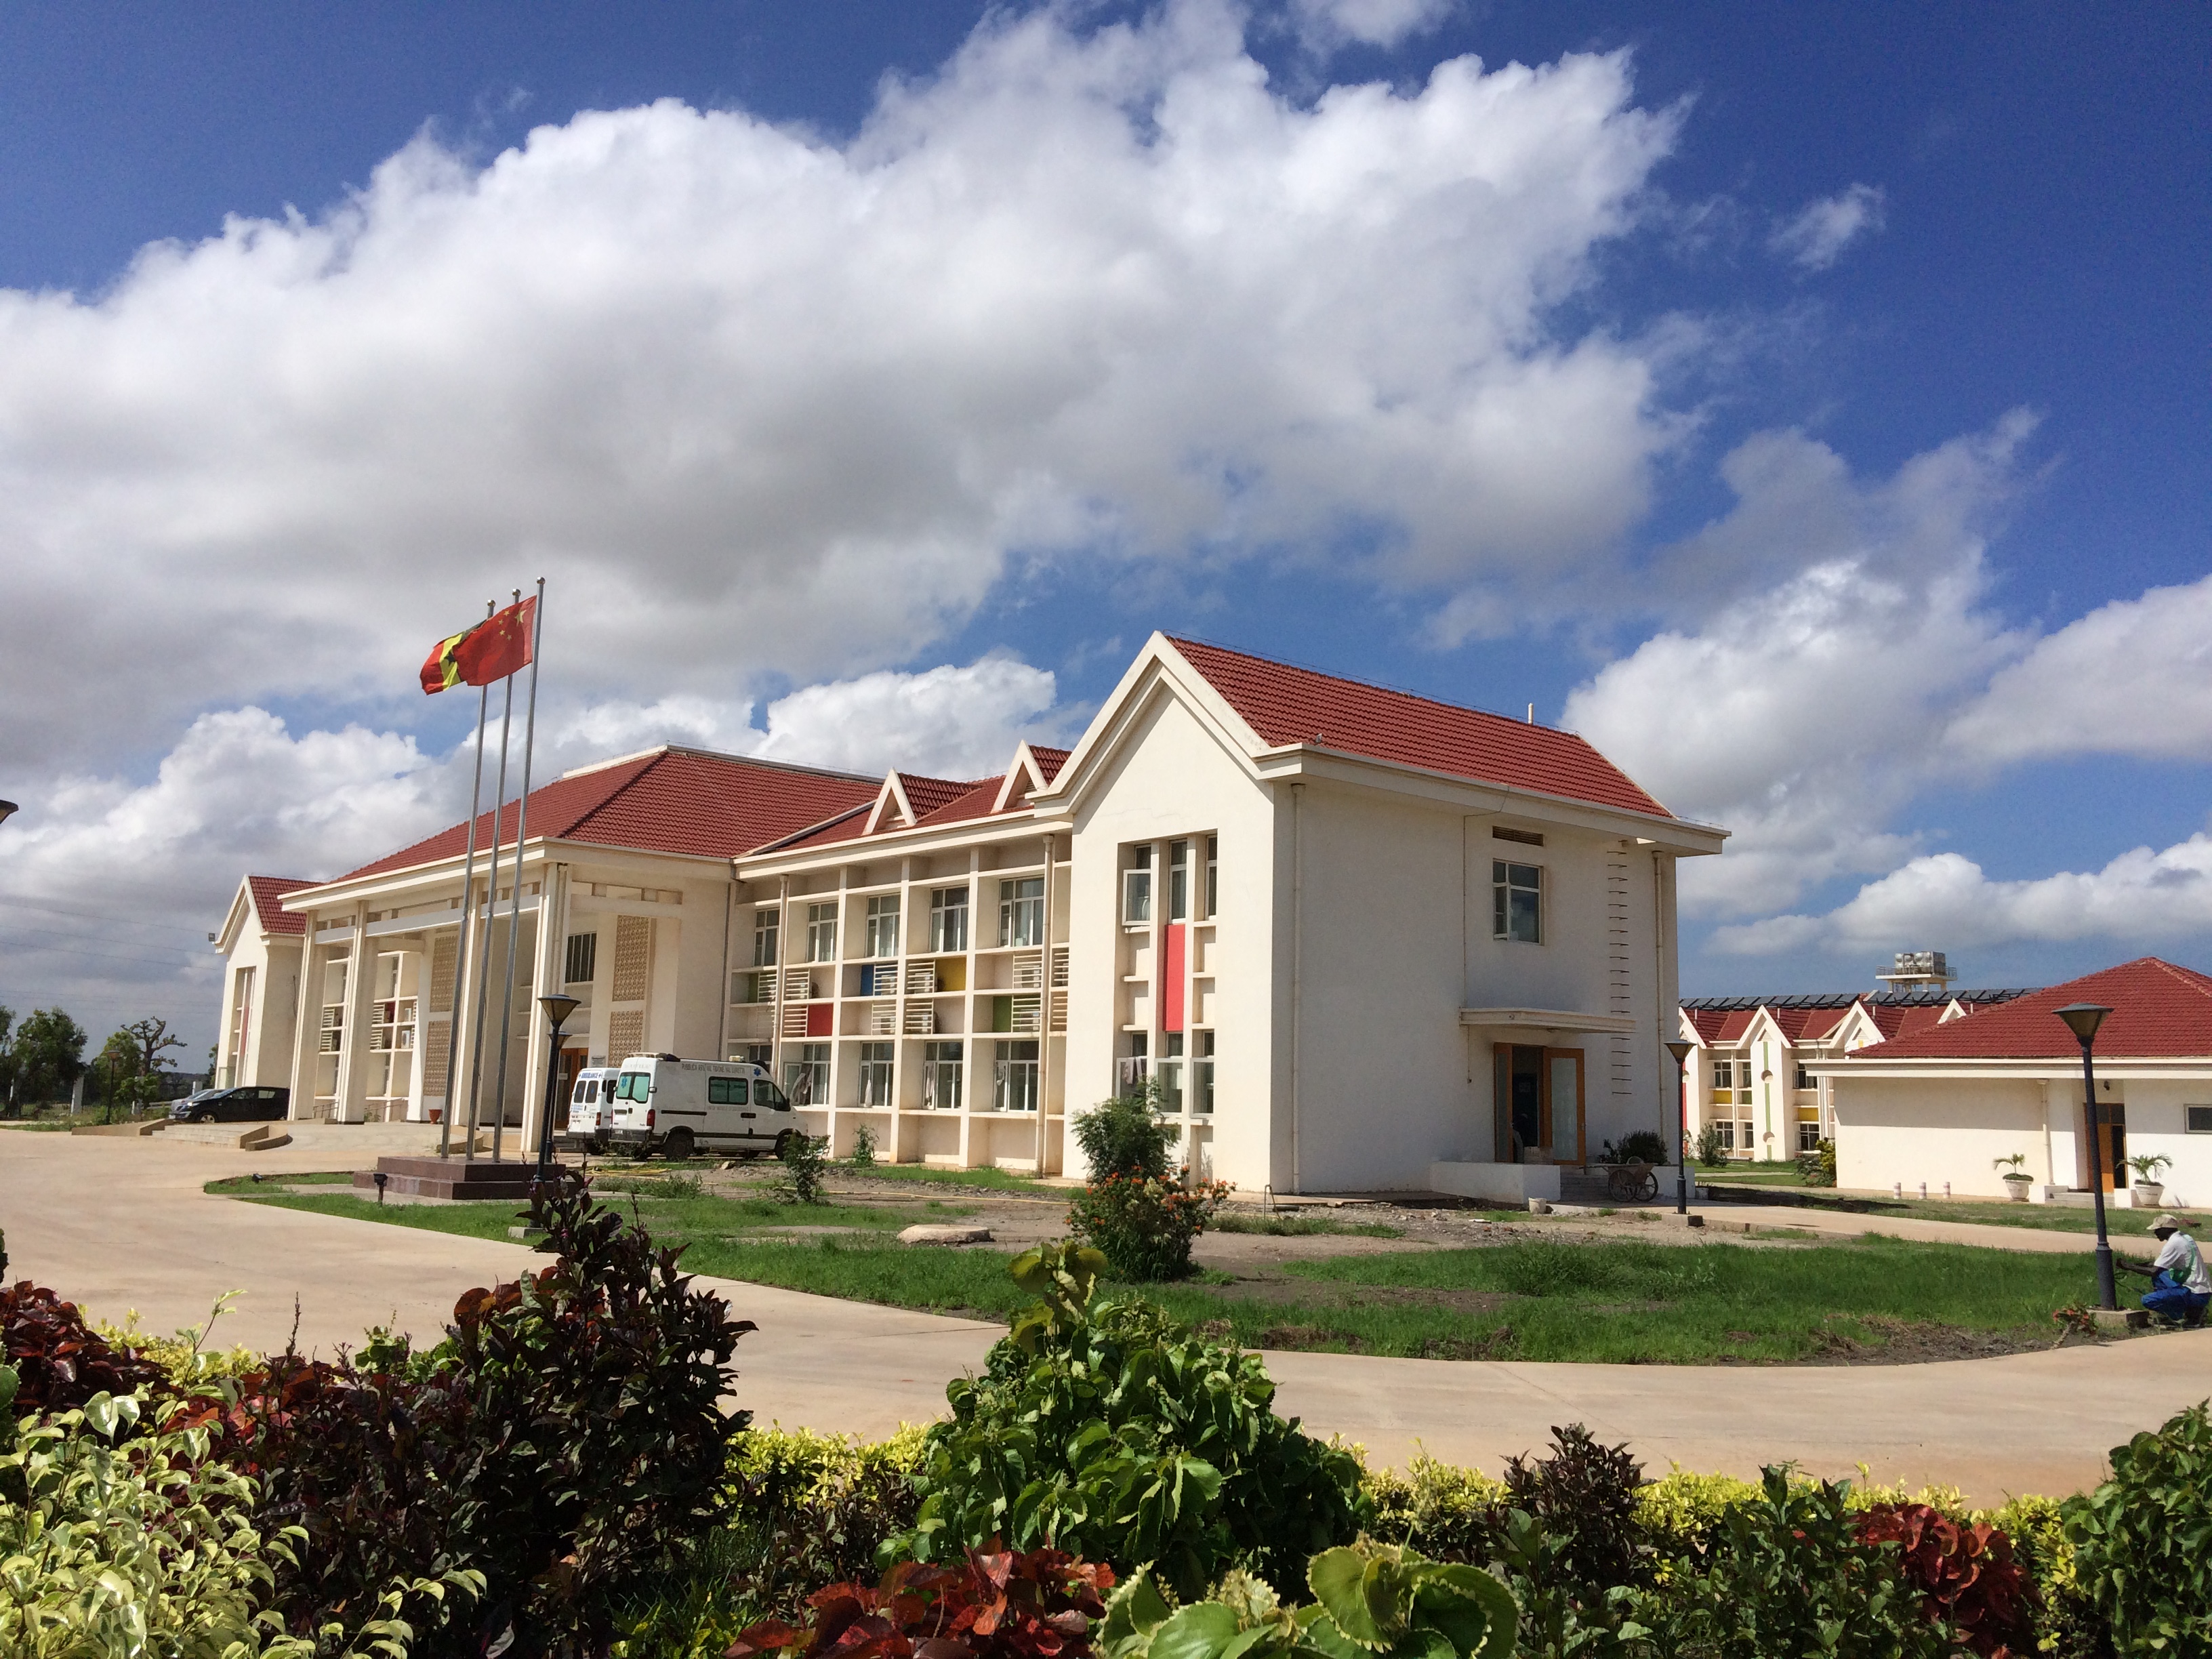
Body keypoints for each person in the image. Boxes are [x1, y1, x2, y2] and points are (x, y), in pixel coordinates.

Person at [2119, 1213, 2211, 1327]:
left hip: (2194, 1294)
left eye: (2157, 1230)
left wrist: (2129, 1267)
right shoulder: (2184, 1238)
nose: (2155, 1233)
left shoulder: (2173, 1243)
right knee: (2161, 1274)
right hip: (2202, 1291)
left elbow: (2153, 1270)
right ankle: (2189, 1312)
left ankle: (2181, 1315)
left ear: (2166, 1229)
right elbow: (2158, 1265)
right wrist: (2133, 1264)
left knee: (2147, 1300)